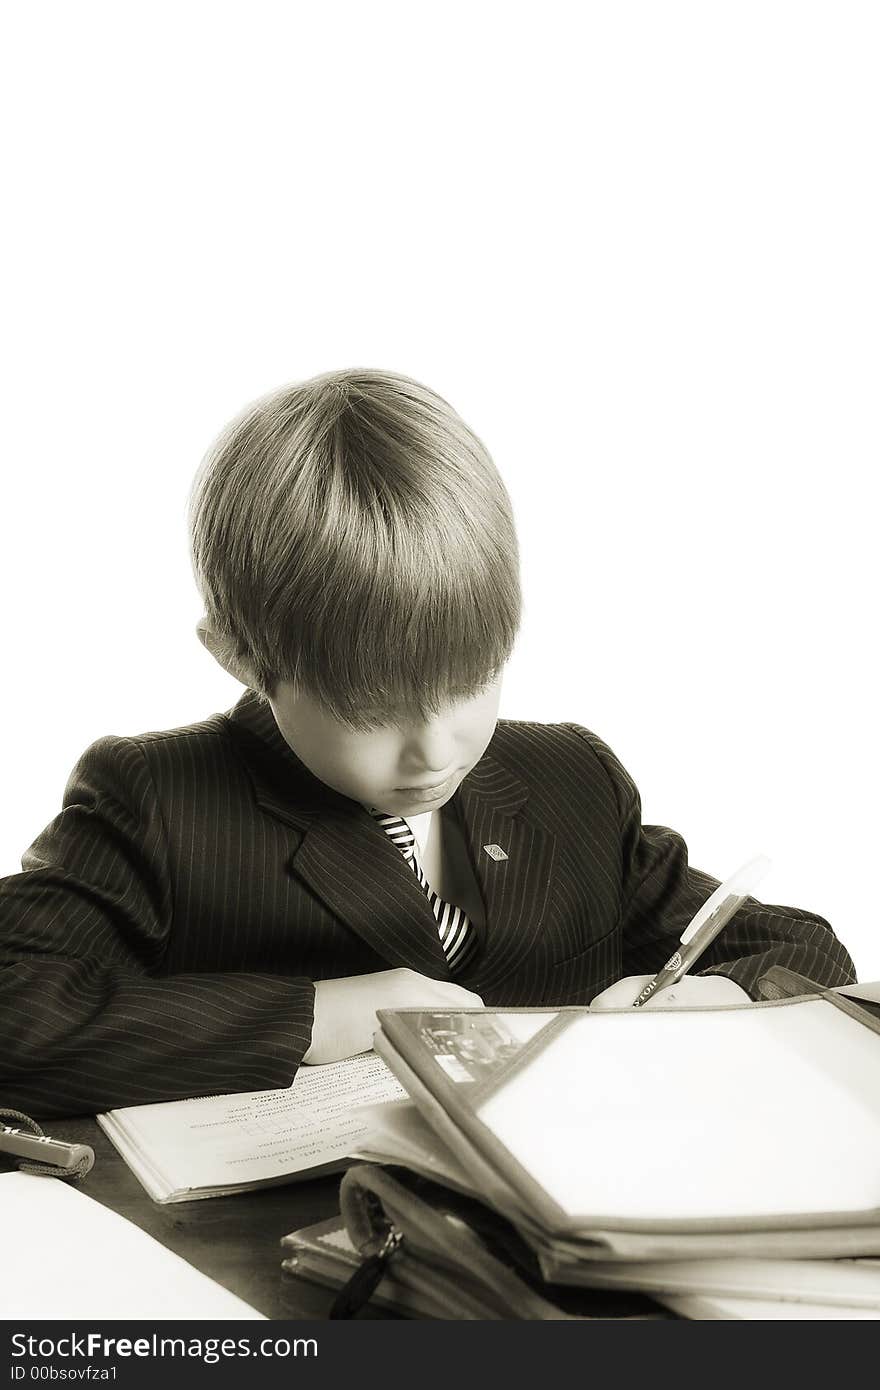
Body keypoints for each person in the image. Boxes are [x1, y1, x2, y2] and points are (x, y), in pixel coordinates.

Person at [0, 370, 856, 1117]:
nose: (435, 749)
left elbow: (800, 946)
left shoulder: (571, 780)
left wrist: (715, 998)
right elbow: (12, 1010)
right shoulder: (156, 799)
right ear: (242, 657)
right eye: (373, 711)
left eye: (469, 683)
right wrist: (315, 1017)